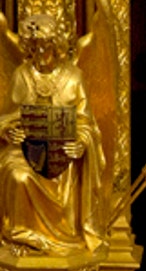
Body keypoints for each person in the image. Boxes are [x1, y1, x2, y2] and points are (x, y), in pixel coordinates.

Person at [0, 13, 104, 253]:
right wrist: (9, 132)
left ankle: (64, 235)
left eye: (46, 47)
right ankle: (21, 235)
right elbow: (8, 117)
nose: (41, 55)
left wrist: (80, 142)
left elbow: (86, 122)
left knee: (64, 172)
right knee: (17, 175)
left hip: (61, 153)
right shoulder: (21, 76)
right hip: (24, 151)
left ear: (57, 46)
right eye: (35, 48)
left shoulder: (73, 78)